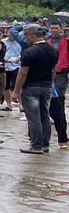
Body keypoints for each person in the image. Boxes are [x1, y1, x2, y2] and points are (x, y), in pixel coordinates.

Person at [12, 24, 56, 154]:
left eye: (25, 36)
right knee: (44, 116)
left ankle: (36, 146)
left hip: (31, 88)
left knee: (33, 118)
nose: (25, 39)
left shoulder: (29, 52)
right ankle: (45, 144)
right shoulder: (53, 50)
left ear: (31, 36)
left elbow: (23, 73)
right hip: (46, 86)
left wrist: (15, 91)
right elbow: (54, 70)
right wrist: (50, 83)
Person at [47, 20, 68, 149]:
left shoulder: (66, 41)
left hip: (61, 72)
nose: (54, 30)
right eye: (52, 28)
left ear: (61, 29)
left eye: (56, 28)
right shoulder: (46, 41)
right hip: (48, 73)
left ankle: (62, 135)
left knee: (58, 98)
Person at [2, 27, 24, 111]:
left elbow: (24, 52)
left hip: (17, 65)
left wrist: (19, 58)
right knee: (5, 86)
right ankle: (8, 104)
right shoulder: (3, 42)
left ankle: (21, 105)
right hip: (5, 65)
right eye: (9, 32)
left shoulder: (21, 42)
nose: (11, 34)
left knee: (18, 85)